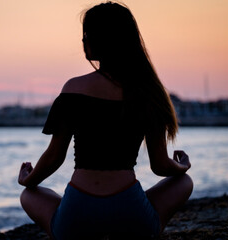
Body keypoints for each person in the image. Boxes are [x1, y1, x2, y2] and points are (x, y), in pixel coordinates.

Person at [18, 2, 193, 239]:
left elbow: (54, 157)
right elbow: (160, 165)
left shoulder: (73, 89)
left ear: (100, 39)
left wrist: (29, 179)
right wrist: (182, 167)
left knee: (29, 195)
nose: (83, 41)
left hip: (78, 213)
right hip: (130, 211)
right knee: (184, 182)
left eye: (87, 34)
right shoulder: (148, 92)